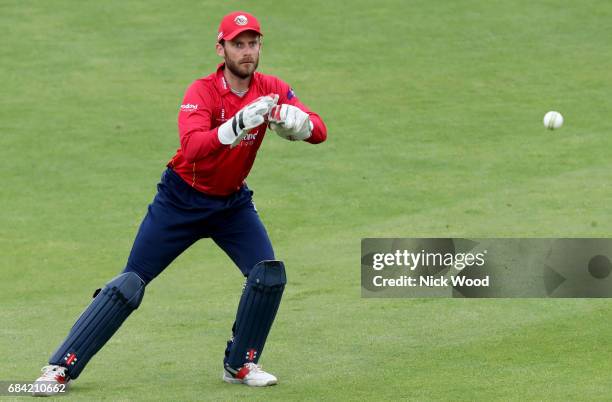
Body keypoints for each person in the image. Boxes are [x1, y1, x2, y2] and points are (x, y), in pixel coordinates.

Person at [32, 10, 327, 396]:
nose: (247, 52)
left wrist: (299, 124)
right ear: (221, 48)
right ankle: (58, 368)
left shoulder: (270, 87)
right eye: (238, 44)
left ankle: (240, 364)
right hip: (180, 201)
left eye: (253, 43)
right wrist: (237, 125)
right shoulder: (201, 91)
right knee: (128, 285)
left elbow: (319, 131)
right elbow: (193, 147)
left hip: (232, 206)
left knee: (268, 274)